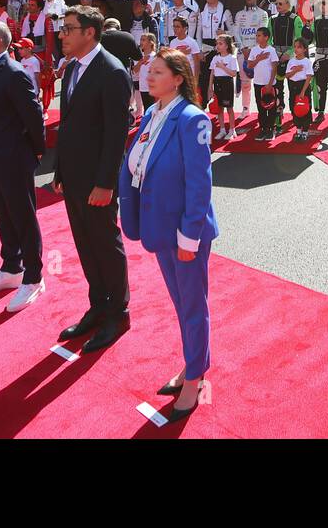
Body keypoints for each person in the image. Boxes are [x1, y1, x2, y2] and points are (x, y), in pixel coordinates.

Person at [118, 47, 218, 421]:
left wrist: (189, 236)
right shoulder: (152, 114)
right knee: (181, 303)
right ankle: (193, 361)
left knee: (193, 305)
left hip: (184, 231)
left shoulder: (193, 119)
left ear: (178, 78)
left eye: (158, 72)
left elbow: (200, 183)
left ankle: (195, 376)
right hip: (159, 225)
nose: (149, 76)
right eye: (149, 70)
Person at [52, 5, 134, 353]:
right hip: (73, 176)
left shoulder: (112, 71)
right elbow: (68, 125)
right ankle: (97, 305)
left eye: (69, 28)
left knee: (105, 243)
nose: (62, 34)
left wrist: (106, 183)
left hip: (97, 180)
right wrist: (59, 171)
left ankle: (118, 312)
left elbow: (116, 134)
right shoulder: (72, 69)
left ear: (90, 32)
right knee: (85, 244)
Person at [0, 20, 47, 312]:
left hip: (14, 157)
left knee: (23, 216)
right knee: (4, 214)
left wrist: (36, 152)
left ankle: (34, 276)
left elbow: (33, 115)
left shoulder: (13, 73)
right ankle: (11, 268)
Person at [267, 0, 305, 135]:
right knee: (277, 90)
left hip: (291, 58)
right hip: (276, 58)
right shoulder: (272, 19)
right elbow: (268, 38)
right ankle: (278, 120)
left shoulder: (296, 19)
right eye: (276, 3)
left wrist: (290, 53)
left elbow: (299, 40)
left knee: (294, 89)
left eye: (280, 4)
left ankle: (297, 119)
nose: (278, 6)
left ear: (288, 5)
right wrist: (274, 53)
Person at [234, 0, 269, 111]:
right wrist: (243, 48)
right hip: (242, 51)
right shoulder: (239, 14)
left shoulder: (263, 14)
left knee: (260, 82)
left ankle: (263, 106)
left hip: (258, 52)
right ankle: (245, 108)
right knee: (245, 83)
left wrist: (253, 51)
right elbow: (236, 32)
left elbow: (262, 33)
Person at [196, 0, 231, 105]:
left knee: (220, 76)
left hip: (219, 48)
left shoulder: (225, 12)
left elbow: (233, 32)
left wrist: (224, 33)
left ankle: (220, 103)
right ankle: (203, 103)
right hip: (206, 48)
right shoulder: (201, 13)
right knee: (204, 77)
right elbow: (198, 33)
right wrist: (199, 50)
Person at [245, 26, 279, 140]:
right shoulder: (254, 50)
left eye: (259, 35)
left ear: (266, 37)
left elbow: (274, 68)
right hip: (258, 83)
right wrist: (258, 58)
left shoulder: (271, 50)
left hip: (270, 84)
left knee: (271, 107)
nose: (257, 37)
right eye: (256, 35)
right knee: (261, 107)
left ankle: (271, 129)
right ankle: (263, 129)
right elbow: (249, 65)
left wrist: (270, 84)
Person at [209, 34, 240, 140]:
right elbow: (212, 73)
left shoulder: (232, 58)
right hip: (217, 83)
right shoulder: (215, 58)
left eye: (220, 44)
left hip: (227, 83)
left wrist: (222, 67)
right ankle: (222, 130)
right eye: (217, 43)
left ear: (227, 46)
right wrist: (210, 87)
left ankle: (232, 130)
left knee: (229, 108)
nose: (218, 46)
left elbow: (233, 74)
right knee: (219, 108)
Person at [285, 38, 315, 142]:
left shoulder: (307, 61)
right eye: (295, 47)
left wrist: (303, 91)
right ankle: (298, 130)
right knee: (294, 108)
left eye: (299, 47)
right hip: (293, 86)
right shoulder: (291, 61)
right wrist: (295, 70)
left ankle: (305, 130)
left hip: (303, 86)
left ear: (305, 49)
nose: (296, 49)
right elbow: (287, 75)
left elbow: (309, 77)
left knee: (305, 108)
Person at [167, 16, 201, 90]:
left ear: (185, 28)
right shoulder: (173, 42)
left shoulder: (192, 42)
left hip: (189, 77)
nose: (175, 29)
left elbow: (197, 63)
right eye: (174, 26)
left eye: (178, 26)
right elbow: (171, 61)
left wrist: (195, 81)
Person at [133, 32, 157, 114]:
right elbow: (135, 71)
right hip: (143, 87)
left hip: (153, 87)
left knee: (153, 110)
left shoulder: (155, 56)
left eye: (143, 40)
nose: (141, 42)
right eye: (140, 40)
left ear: (151, 43)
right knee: (147, 110)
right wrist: (141, 62)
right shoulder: (139, 57)